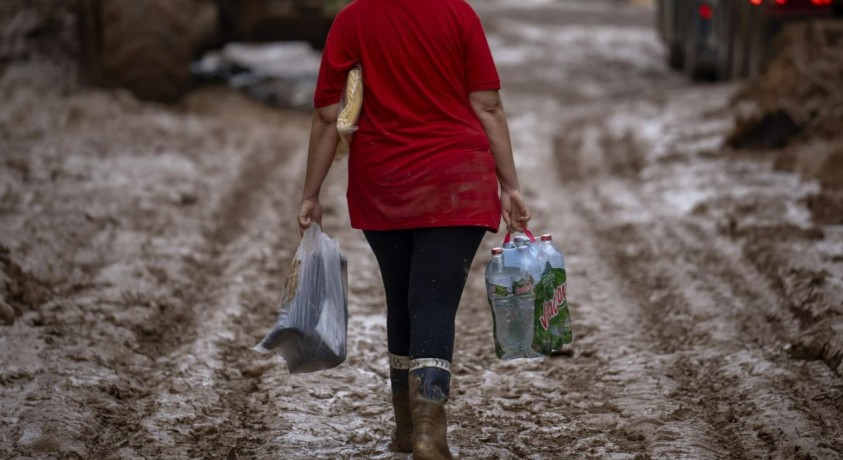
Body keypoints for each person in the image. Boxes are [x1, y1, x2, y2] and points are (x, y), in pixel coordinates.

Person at [296, 0, 530, 458]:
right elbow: (487, 104)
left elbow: (327, 114)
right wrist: (511, 185)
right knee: (433, 301)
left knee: (402, 298)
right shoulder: (458, 14)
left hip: (384, 180)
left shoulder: (353, 19)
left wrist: (311, 192)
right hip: (457, 180)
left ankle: (407, 429)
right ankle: (428, 431)